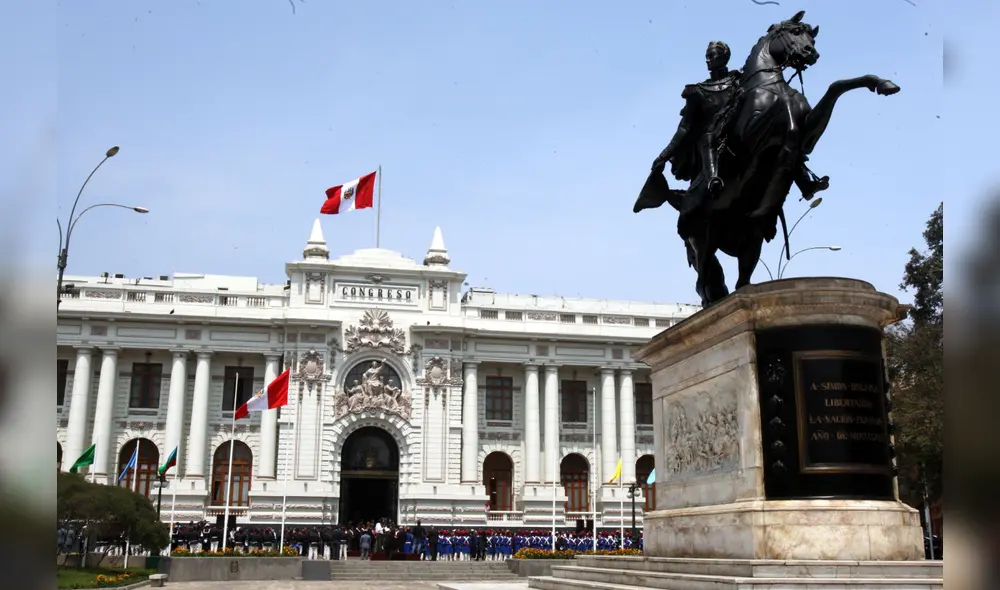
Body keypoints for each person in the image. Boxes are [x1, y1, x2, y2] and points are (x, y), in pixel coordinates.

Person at [639, 41, 828, 219]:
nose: (708, 59)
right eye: (707, 56)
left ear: (724, 57)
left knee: (780, 139)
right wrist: (664, 155)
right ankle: (713, 179)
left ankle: (806, 183)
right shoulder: (697, 91)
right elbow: (684, 128)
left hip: (738, 133)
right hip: (712, 141)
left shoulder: (739, 81)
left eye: (712, 55)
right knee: (708, 138)